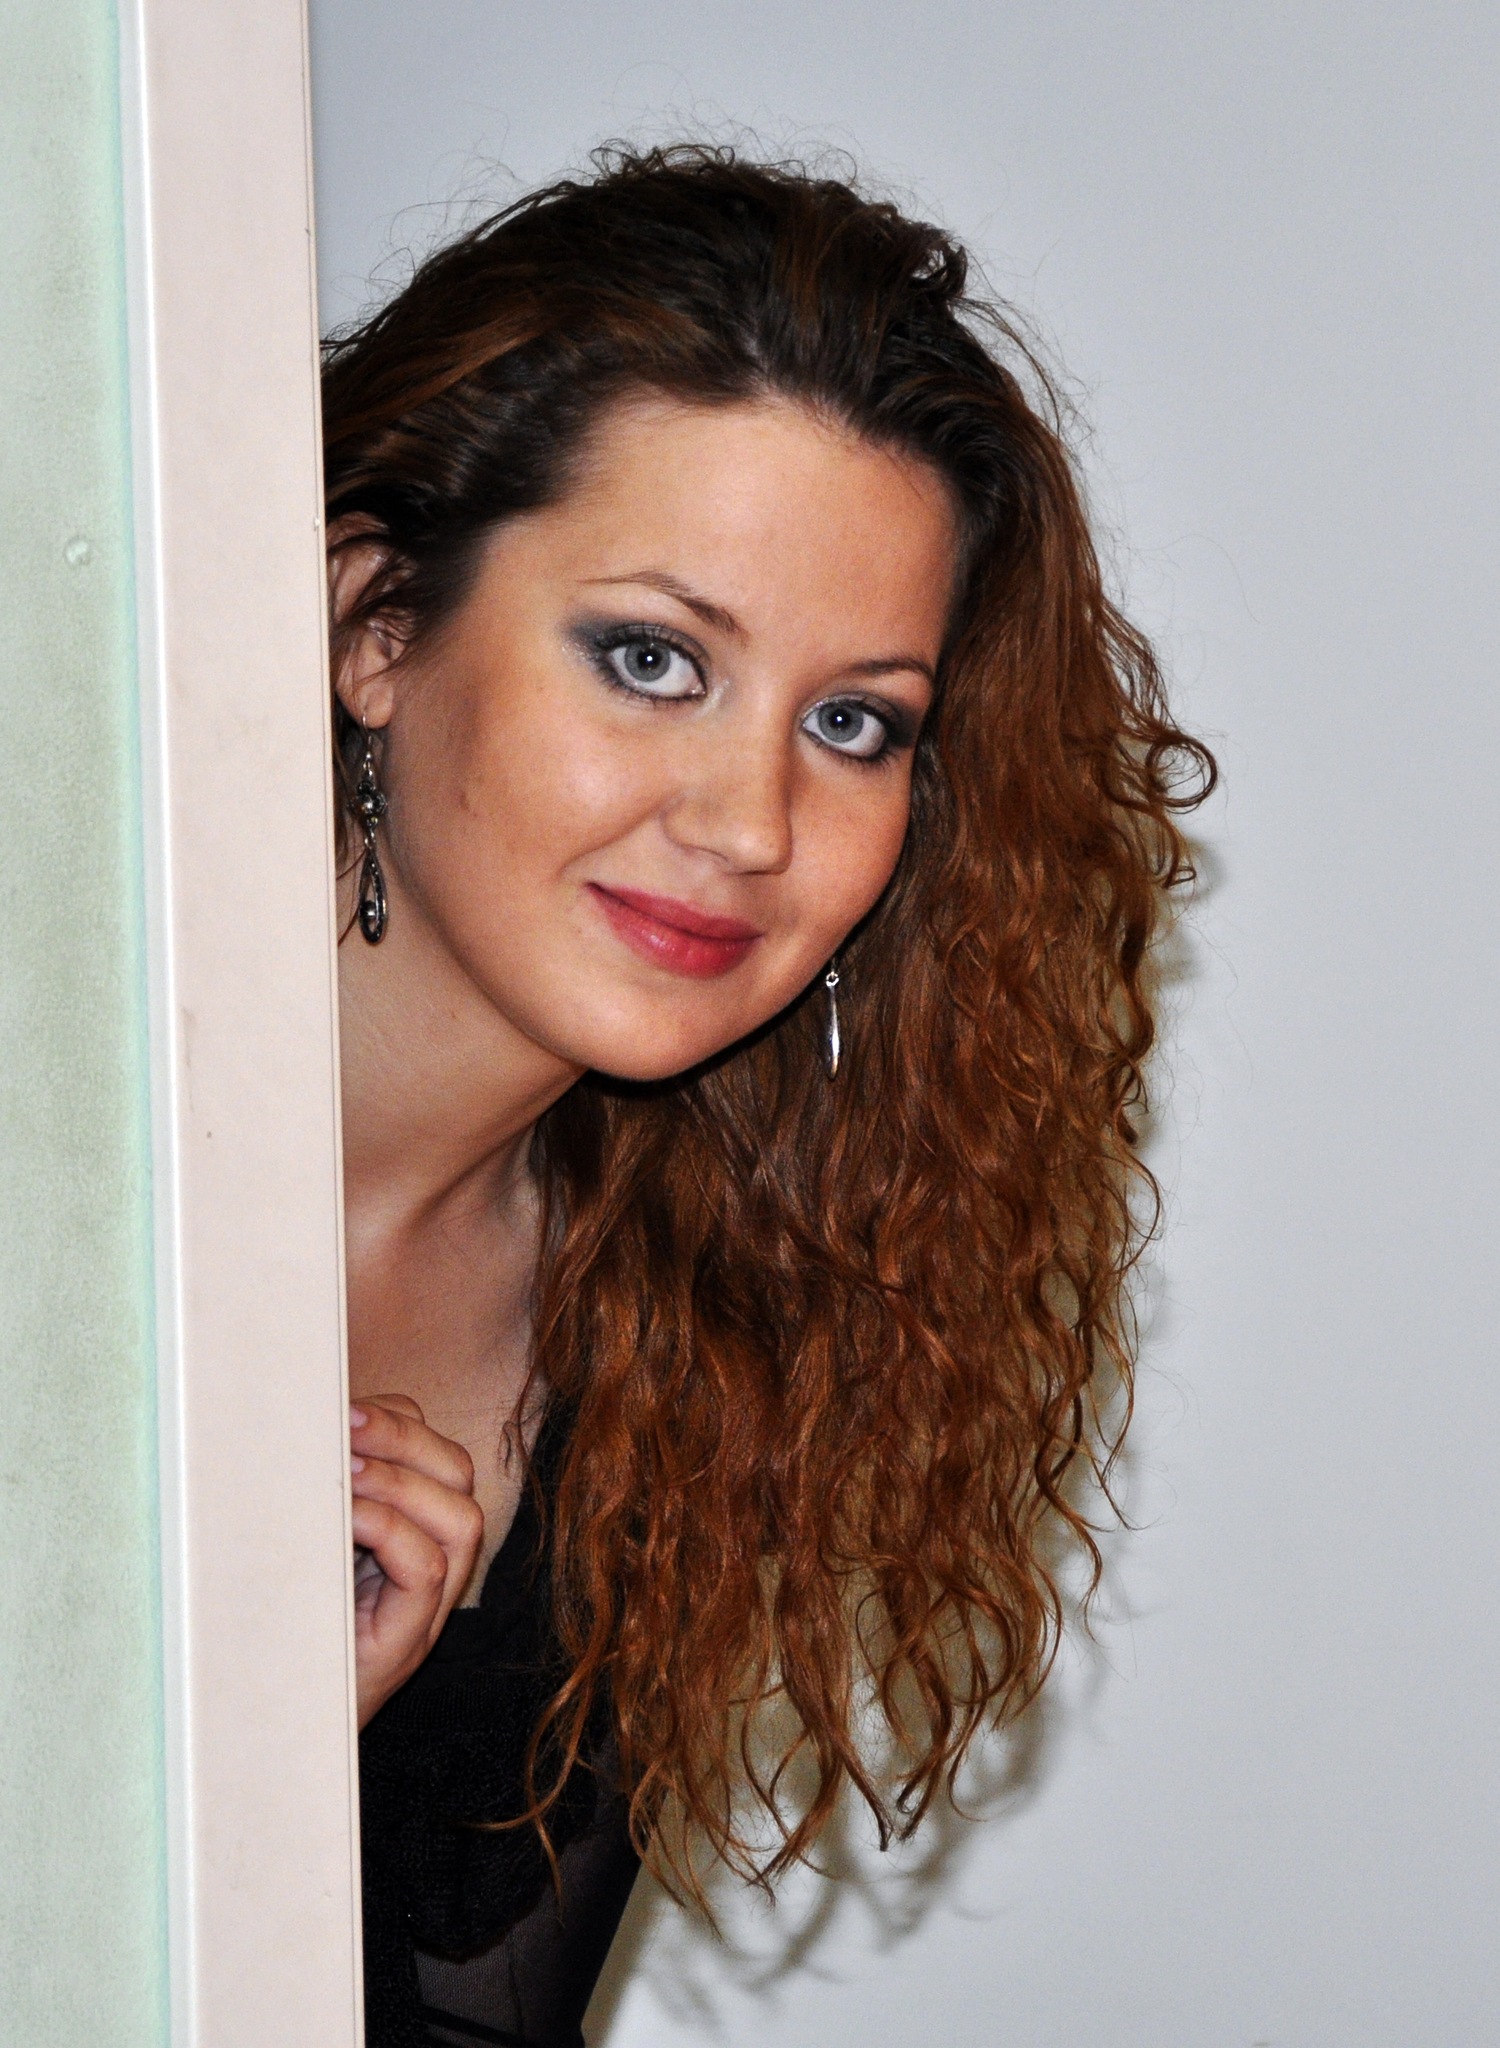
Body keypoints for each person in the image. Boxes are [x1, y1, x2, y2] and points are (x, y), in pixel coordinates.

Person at [323, 145, 1212, 2048]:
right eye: (654, 660)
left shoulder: (671, 1345)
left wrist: (272, 1764)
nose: (751, 826)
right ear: (378, 624)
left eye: (852, 722)